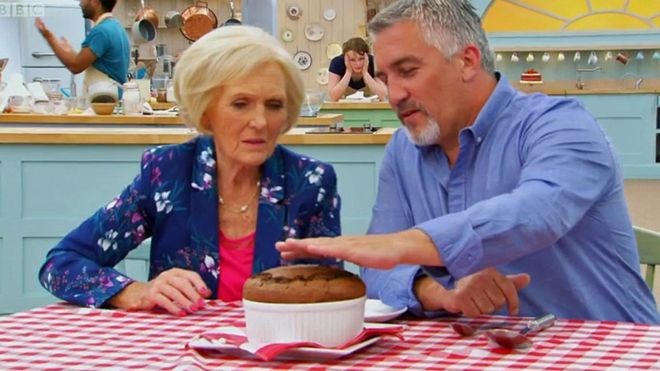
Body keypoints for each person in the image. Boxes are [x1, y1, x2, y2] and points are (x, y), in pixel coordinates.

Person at [277, 0, 660, 324]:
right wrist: (437, 292)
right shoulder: (402, 149)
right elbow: (379, 269)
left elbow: (536, 214)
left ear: (467, 60)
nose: (393, 94)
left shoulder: (561, 125)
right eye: (385, 77)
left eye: (408, 72)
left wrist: (407, 245)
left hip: (610, 347)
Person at [39, 25, 342, 316]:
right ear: (205, 109)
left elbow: (333, 296)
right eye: (241, 104)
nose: (261, 121)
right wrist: (134, 292)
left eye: (274, 104)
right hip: (178, 354)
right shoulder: (167, 174)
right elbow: (61, 264)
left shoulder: (311, 183)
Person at [35, 0, 130, 91]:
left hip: (104, 100)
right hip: (112, 98)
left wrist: (48, 36)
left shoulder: (101, 32)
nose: (80, 4)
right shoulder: (116, 27)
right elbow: (80, 60)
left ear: (95, 2)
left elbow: (75, 66)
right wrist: (69, 51)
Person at [327, 37, 387, 102]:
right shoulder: (337, 63)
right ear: (345, 58)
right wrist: (348, 72)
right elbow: (333, 97)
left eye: (361, 59)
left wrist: (365, 73)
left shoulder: (375, 62)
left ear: (367, 56)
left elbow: (384, 96)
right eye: (352, 60)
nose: (358, 64)